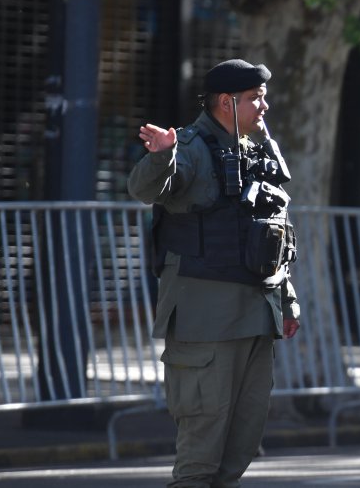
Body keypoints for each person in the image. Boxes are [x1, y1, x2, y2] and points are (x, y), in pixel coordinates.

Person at [128, 59, 301, 487]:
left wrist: (288, 301)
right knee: (200, 459)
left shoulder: (257, 148)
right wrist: (161, 156)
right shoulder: (189, 147)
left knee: (237, 451)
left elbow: (270, 237)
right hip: (205, 321)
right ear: (227, 102)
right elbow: (146, 188)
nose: (265, 105)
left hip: (255, 317)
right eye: (255, 98)